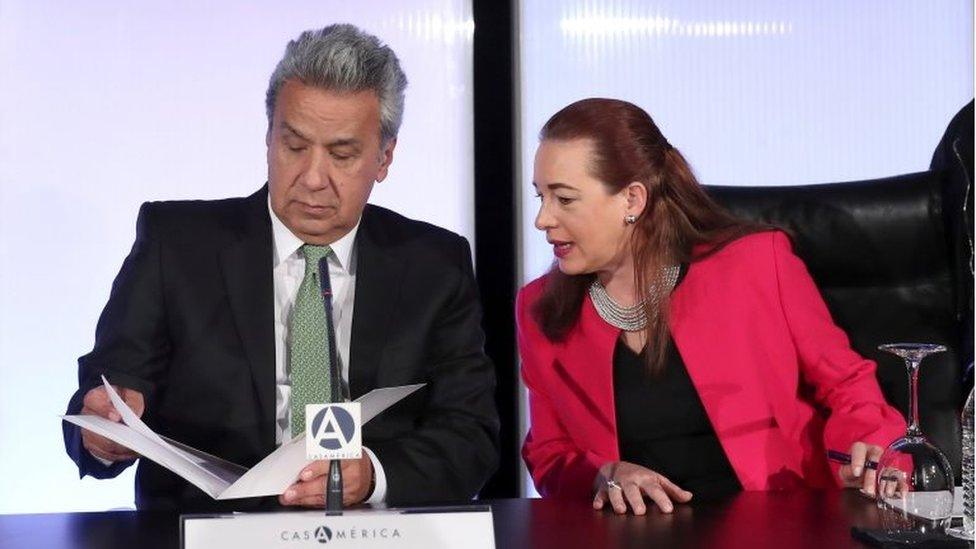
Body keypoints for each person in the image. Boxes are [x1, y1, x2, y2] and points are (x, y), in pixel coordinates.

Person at [63, 24, 499, 512]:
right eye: (293, 146)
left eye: (342, 154)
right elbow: (109, 389)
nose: (313, 178)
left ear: (385, 157)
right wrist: (104, 430)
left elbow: (470, 434)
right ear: (268, 136)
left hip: (369, 535)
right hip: (206, 530)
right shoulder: (178, 244)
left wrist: (373, 475)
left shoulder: (434, 265)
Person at [517, 98, 906, 515]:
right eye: (541, 197)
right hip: (634, 533)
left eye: (564, 199)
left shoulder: (758, 263)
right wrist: (603, 473)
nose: (542, 219)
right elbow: (549, 453)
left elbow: (847, 385)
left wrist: (872, 450)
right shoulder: (538, 308)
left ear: (631, 200)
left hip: (774, 521)